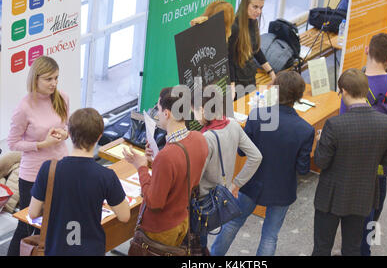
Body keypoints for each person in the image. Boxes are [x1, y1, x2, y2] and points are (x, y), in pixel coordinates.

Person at [210, 70, 315, 256]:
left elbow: (242, 151)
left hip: (252, 184)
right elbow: (303, 168)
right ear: (299, 96)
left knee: (232, 223)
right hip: (283, 190)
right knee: (270, 236)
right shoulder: (305, 130)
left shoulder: (257, 115)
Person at [312, 68, 387, 256]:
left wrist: (320, 142)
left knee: (322, 248)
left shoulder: (334, 125)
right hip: (363, 194)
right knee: (352, 248)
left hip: (331, 197)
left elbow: (321, 161)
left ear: (345, 92)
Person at [342, 33, 387, 256]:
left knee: (351, 204)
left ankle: (350, 244)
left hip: (354, 156)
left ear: (366, 51)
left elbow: (344, 121)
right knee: (375, 204)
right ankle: (366, 246)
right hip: (382, 157)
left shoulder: (352, 80)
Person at [28, 108, 130, 255]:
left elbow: (32, 213)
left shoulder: (48, 169)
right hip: (90, 250)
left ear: (69, 134)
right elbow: (124, 216)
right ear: (99, 136)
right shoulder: (106, 176)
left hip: (57, 249)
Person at [123, 87, 208, 247]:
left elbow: (154, 202)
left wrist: (141, 167)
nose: (158, 113)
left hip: (160, 228)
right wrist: (155, 161)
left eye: (159, 109)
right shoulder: (199, 139)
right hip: (182, 219)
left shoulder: (167, 156)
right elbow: (183, 175)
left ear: (167, 113)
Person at [7, 56, 70, 256]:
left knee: (52, 224)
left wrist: (65, 133)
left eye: (56, 78)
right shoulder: (24, 108)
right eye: (49, 79)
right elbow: (13, 142)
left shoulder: (62, 98)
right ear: (36, 79)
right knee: (27, 227)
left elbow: (66, 125)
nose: (54, 83)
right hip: (33, 175)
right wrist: (42, 144)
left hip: (60, 169)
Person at [191, 85, 262, 252]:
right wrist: (236, 184)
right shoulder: (233, 124)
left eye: (194, 111)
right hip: (222, 196)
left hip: (201, 202)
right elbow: (256, 156)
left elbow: (195, 177)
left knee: (197, 245)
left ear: (202, 109)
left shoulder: (206, 137)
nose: (194, 117)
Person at [228, 0, 277, 98]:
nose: (259, 12)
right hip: (237, 81)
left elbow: (256, 50)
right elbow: (228, 59)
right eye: (255, 7)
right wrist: (231, 86)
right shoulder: (234, 27)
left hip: (249, 76)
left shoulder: (253, 21)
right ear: (245, 5)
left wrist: (271, 73)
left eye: (261, 8)